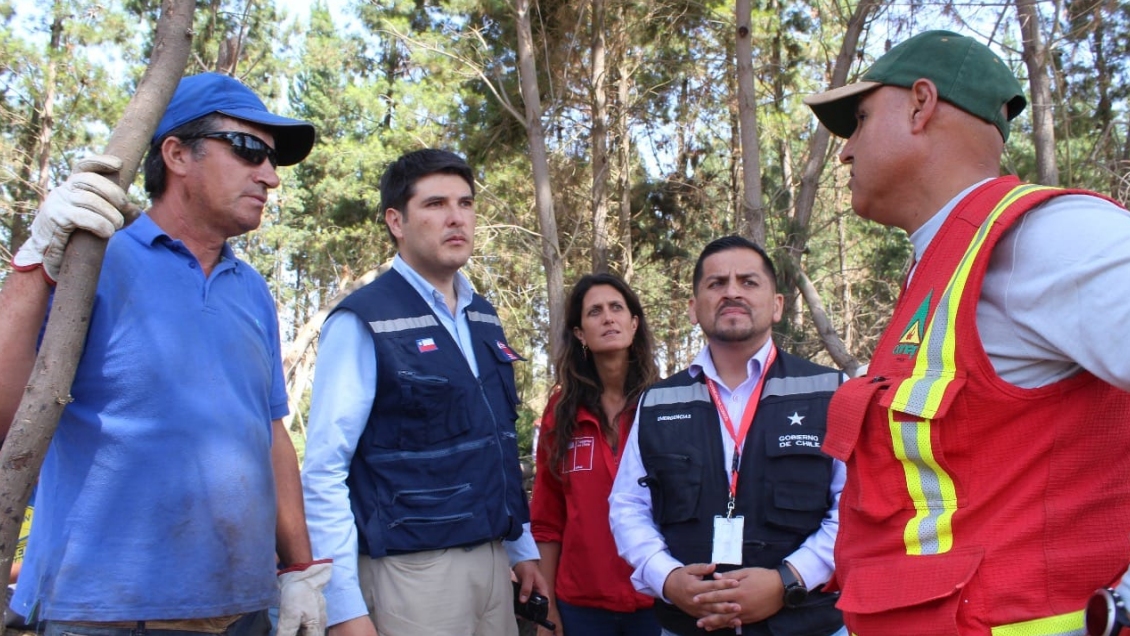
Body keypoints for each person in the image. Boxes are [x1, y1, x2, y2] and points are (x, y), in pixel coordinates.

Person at [803, 30, 1130, 635]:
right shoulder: (941, 269)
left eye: (860, 119)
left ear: (921, 105)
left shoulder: (1048, 238)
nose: (845, 152)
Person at [0, 72, 329, 636]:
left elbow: (269, 433)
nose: (270, 177)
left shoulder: (251, 289)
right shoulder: (89, 261)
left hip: (241, 609)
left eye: (273, 160)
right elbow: (9, 417)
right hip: (106, 612)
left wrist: (300, 566)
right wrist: (35, 266)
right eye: (250, 150)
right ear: (176, 153)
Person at [301, 148, 547, 636]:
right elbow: (324, 470)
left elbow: (495, 439)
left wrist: (522, 550)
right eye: (434, 204)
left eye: (465, 203)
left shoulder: (483, 316)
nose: (456, 218)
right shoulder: (363, 320)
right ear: (396, 220)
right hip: (412, 576)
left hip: (494, 566)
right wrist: (344, 606)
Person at [609, 235, 845, 636]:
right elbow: (627, 506)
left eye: (748, 282)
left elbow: (853, 506)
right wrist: (667, 578)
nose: (732, 291)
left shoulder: (831, 391)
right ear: (693, 308)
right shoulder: (657, 402)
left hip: (807, 624)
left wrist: (789, 579)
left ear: (777, 306)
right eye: (716, 283)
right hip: (689, 625)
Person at [531, 273, 661, 636]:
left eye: (617, 308)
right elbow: (547, 517)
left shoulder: (665, 405)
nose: (608, 318)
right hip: (581, 608)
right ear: (578, 332)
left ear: (634, 324)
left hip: (657, 601)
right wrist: (548, 608)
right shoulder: (561, 412)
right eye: (595, 312)